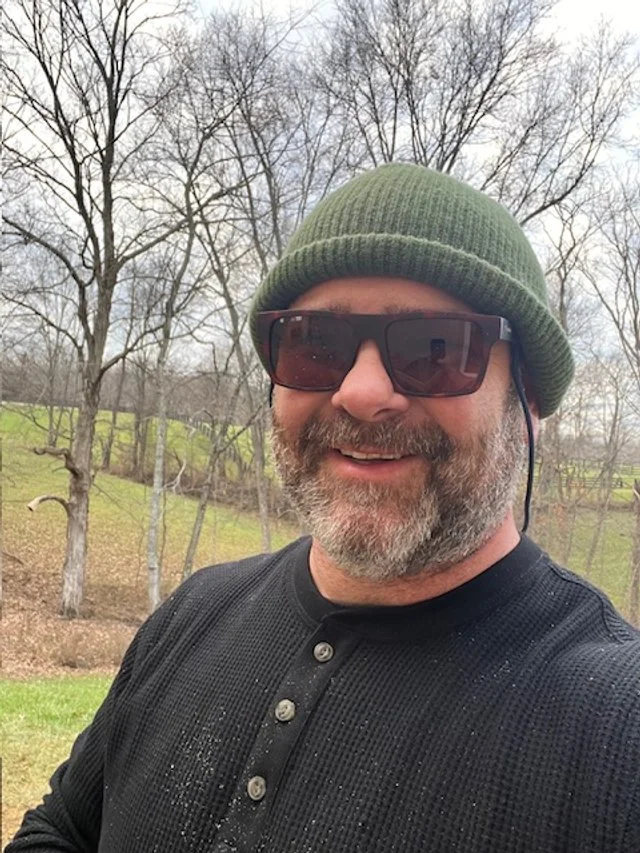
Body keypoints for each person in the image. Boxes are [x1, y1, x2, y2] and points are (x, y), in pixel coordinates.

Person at [7, 164, 640, 853]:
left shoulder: (614, 728)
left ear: (530, 402)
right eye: (316, 344)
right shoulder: (194, 614)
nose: (362, 391)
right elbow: (66, 828)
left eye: (435, 348)